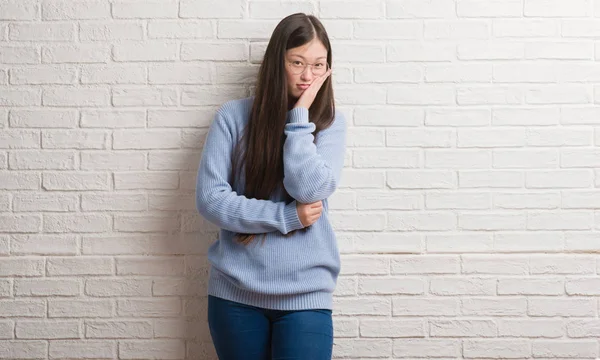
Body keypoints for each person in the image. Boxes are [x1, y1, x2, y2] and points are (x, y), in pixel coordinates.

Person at [195, 12, 347, 360]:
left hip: (306, 295)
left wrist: (299, 120)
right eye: (297, 62)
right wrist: (289, 216)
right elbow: (210, 199)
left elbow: (310, 190)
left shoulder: (329, 124)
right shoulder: (232, 117)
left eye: (318, 65)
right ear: (277, 61)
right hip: (235, 295)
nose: (308, 75)